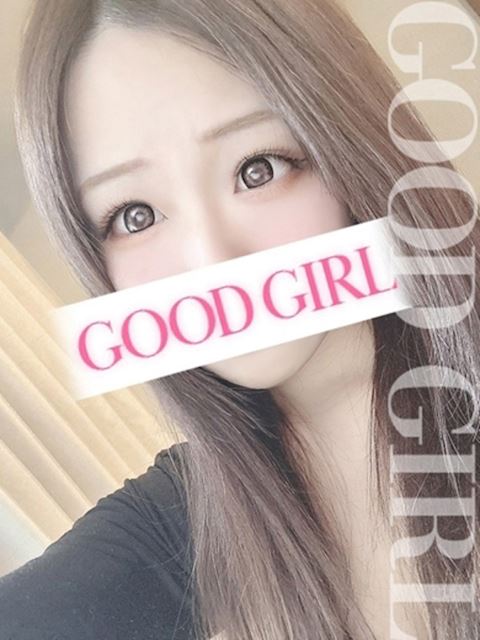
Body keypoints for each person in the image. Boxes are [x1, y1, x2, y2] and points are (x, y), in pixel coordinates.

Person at [2, 1, 479, 639]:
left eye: (258, 170)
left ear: (347, 142)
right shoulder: (167, 535)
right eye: (135, 216)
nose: (212, 260)